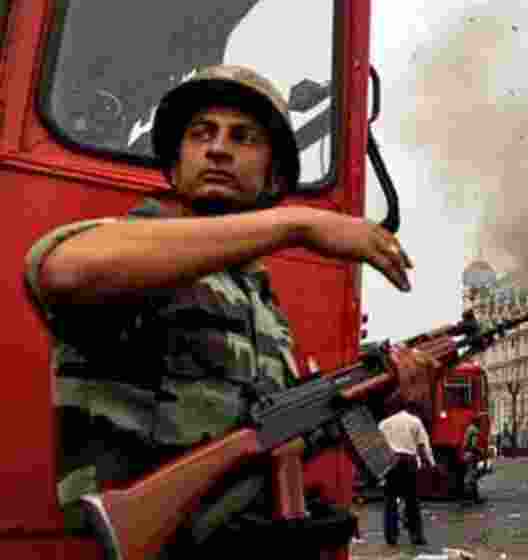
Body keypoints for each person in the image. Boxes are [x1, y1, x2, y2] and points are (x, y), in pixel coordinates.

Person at [24, 65, 437, 555]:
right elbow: (64, 270)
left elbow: (278, 437)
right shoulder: (137, 255)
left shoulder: (259, 300)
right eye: (201, 134)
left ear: (273, 176)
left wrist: (380, 398)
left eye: (243, 138)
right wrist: (297, 225)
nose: (218, 148)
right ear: (174, 166)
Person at [378, 397, 435, 547]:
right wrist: (429, 463)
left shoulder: (383, 424)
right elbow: (422, 446)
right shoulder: (414, 421)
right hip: (409, 463)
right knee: (412, 501)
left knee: (390, 502)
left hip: (391, 464)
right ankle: (416, 536)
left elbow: (377, 450)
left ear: (390, 408)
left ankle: (391, 537)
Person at [459, 417, 485, 505]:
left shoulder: (469, 428)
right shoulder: (475, 431)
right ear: (477, 422)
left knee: (472, 477)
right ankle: (467, 500)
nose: (481, 424)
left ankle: (475, 498)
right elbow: (473, 446)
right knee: (470, 478)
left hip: (466, 454)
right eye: (480, 422)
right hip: (471, 455)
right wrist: (480, 451)